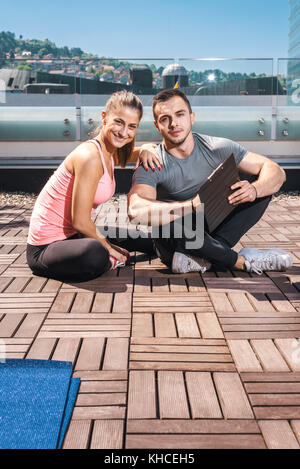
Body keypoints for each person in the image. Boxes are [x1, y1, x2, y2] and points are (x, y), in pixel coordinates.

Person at [127, 88, 293, 275]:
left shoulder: (217, 148)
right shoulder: (152, 161)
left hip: (211, 231)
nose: (174, 123)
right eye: (165, 119)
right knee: (166, 219)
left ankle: (204, 258)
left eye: (180, 114)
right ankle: (241, 262)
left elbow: (276, 171)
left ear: (192, 117)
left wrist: (254, 190)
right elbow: (136, 210)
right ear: (158, 126)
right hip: (173, 243)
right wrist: (192, 205)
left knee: (258, 181)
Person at [26, 90, 160, 282]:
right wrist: (109, 248)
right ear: (104, 117)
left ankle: (181, 251)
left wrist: (147, 148)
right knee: (96, 252)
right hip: (46, 248)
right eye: (119, 122)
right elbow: (80, 222)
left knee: (141, 238)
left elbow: (132, 154)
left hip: (74, 235)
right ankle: (109, 260)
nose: (124, 132)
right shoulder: (90, 157)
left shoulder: (110, 152)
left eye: (132, 127)